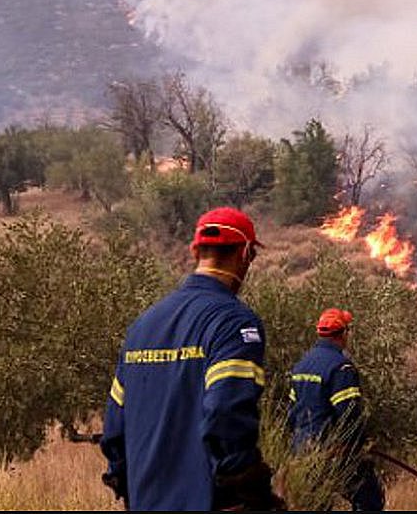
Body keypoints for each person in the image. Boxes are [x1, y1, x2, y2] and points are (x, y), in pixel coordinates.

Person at [99, 207, 285, 511]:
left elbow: (115, 428)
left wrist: (128, 486)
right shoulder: (235, 323)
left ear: (195, 251)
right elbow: (226, 413)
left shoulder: (142, 326)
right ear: (246, 253)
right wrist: (252, 492)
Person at [287, 307, 385, 511]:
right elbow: (349, 414)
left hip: (302, 451)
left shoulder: (302, 365)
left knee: (316, 505)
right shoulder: (341, 368)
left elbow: (292, 412)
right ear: (343, 334)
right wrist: (361, 445)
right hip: (334, 453)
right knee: (369, 500)